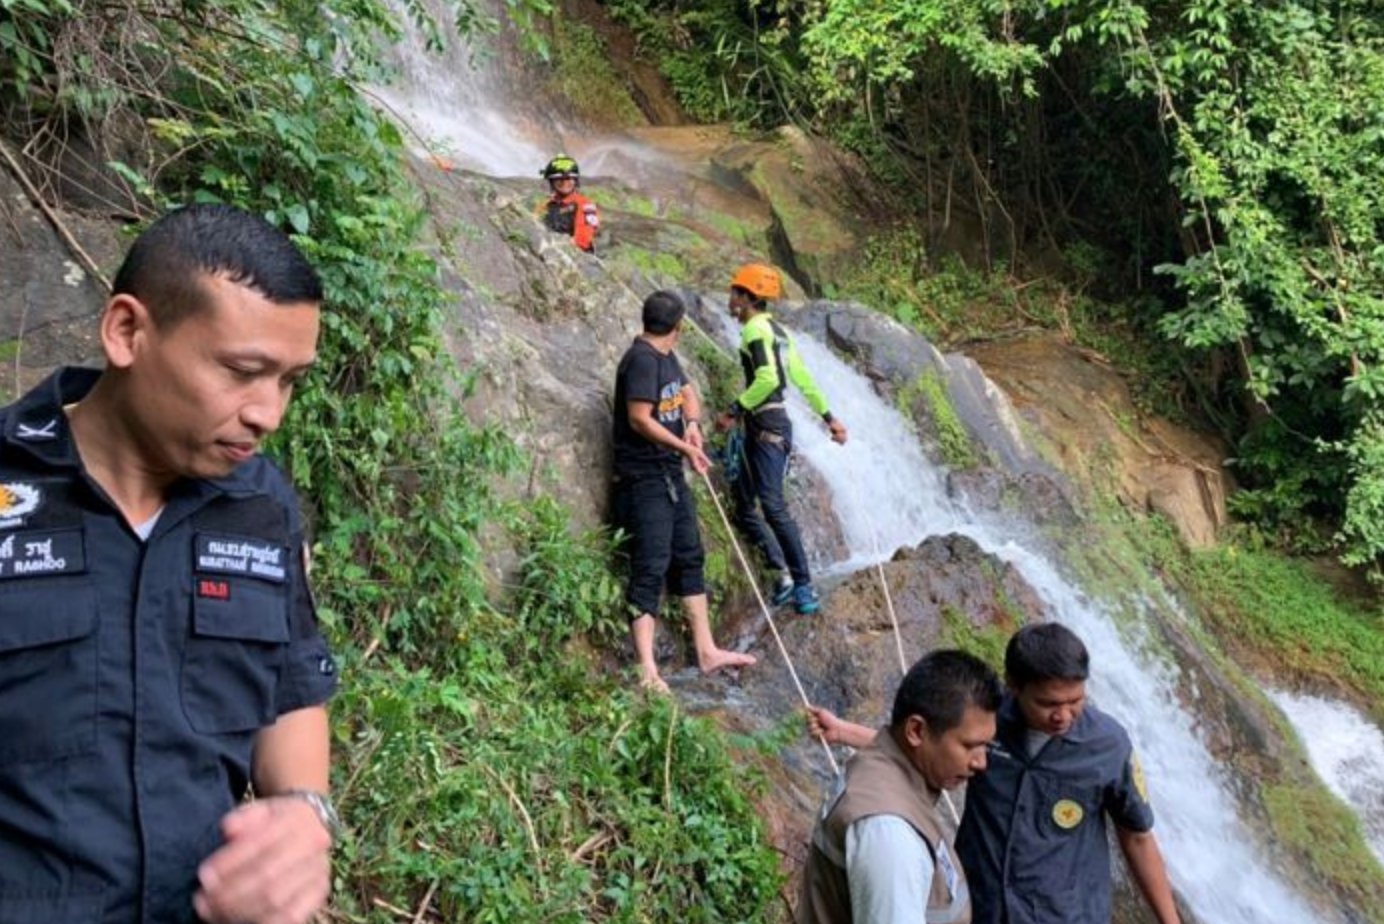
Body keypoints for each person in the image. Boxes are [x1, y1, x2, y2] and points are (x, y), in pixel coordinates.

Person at [0, 204, 338, 924]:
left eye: (289, 380)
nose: (268, 414)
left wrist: (305, 816)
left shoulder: (259, 503)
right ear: (128, 331)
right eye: (245, 372)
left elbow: (290, 684)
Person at [809, 624, 1182, 924]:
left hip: (1064, 913)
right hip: (982, 903)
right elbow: (926, 745)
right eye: (1049, 704)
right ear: (1014, 687)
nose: (1064, 716)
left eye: (1075, 701)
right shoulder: (986, 722)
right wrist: (844, 733)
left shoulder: (1108, 745)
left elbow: (1136, 837)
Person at [612, 290, 757, 692]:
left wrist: (691, 424)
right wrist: (683, 446)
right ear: (678, 328)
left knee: (690, 557)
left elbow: (687, 392)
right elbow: (639, 419)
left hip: (669, 477)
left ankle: (706, 649)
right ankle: (647, 670)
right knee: (651, 566)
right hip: (643, 481)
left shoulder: (665, 356)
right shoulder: (641, 361)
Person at [798, 649, 1002, 924]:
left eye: (986, 746)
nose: (981, 762)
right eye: (969, 746)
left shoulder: (880, 769)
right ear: (916, 731)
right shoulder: (890, 835)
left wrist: (845, 732)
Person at [714, 263, 847, 615]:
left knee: (772, 506)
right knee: (744, 504)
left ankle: (804, 584)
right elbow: (802, 379)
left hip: (767, 426)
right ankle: (784, 573)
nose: (730, 299)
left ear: (746, 298)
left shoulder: (756, 332)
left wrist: (733, 410)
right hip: (770, 426)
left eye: (734, 292)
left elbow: (770, 378)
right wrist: (829, 418)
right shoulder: (779, 333)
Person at [539, 153, 600, 252]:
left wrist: (555, 244)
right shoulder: (545, 205)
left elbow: (583, 240)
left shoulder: (585, 205)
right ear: (551, 182)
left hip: (580, 260)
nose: (564, 183)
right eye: (559, 179)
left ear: (575, 181)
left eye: (568, 178)